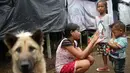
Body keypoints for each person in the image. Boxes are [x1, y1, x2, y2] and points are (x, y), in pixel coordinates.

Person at [95, 0, 113, 71]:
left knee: (110, 52)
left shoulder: (109, 16)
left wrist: (113, 39)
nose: (100, 8)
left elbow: (112, 28)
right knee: (103, 53)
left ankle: (115, 62)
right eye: (98, 7)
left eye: (102, 6)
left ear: (106, 7)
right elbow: (97, 29)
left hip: (108, 40)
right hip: (100, 40)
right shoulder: (96, 18)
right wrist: (95, 38)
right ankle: (105, 66)